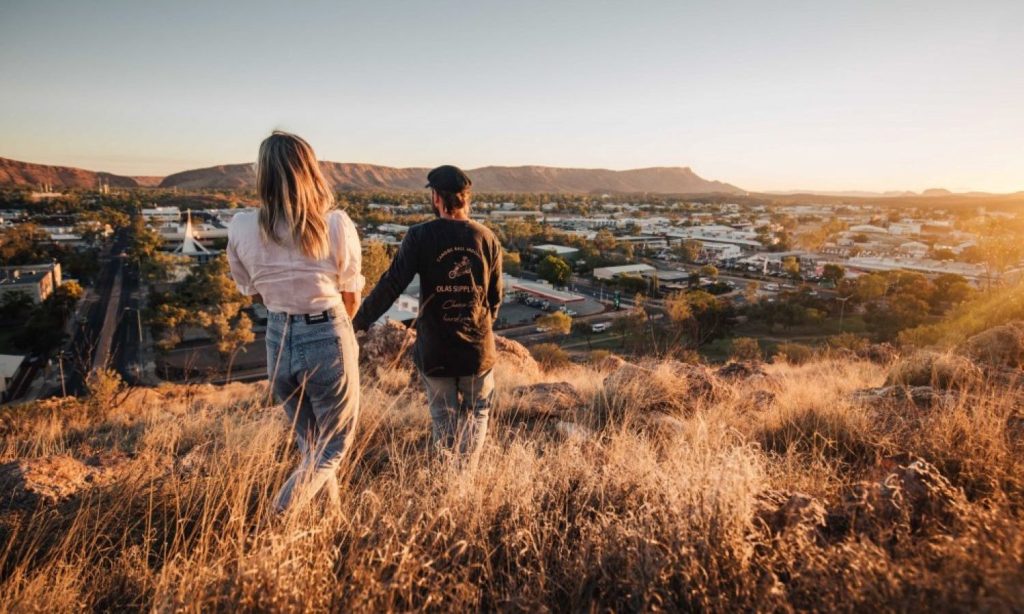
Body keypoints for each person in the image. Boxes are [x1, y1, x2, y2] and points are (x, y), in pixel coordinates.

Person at [227, 131, 364, 512]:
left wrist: (281, 304)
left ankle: (330, 521)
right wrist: (332, 331)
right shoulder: (334, 225)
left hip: (277, 336)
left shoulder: (241, 226)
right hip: (326, 332)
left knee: (312, 444)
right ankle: (280, 514)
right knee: (334, 446)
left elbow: (250, 290)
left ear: (263, 175)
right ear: (310, 170)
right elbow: (351, 295)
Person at [353, 165, 503, 464]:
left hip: (437, 350)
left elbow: (391, 285)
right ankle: (466, 476)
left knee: (443, 418)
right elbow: (495, 299)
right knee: (478, 412)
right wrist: (479, 328)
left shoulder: (420, 236)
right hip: (477, 351)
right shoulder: (486, 238)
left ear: (436, 198)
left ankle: (448, 476)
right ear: (466, 198)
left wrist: (358, 321)